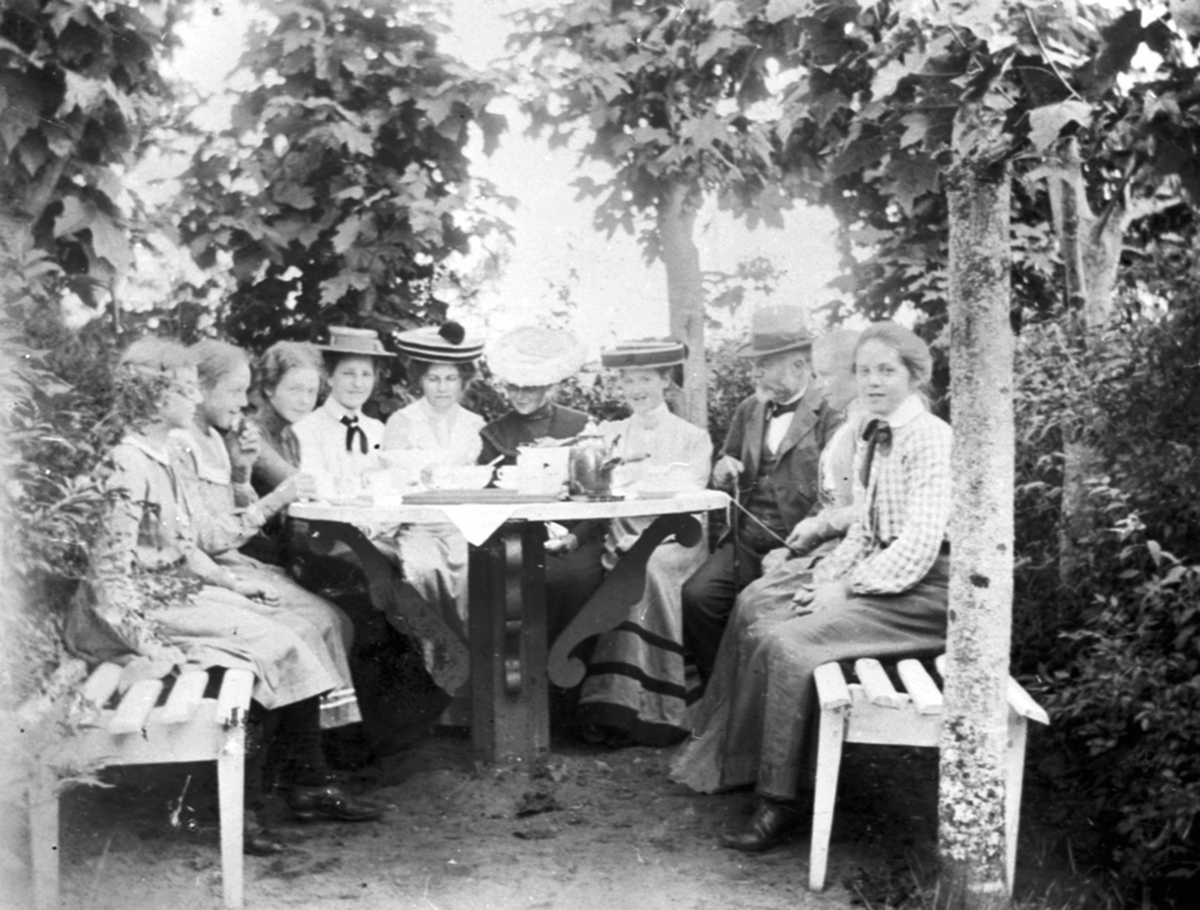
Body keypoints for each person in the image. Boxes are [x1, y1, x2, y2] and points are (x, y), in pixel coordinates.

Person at [66, 338, 379, 860]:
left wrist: (236, 585)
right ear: (154, 397)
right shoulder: (127, 463)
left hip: (175, 591)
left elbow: (185, 545)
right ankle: (238, 809)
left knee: (295, 628)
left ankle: (297, 783)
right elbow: (108, 581)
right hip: (136, 609)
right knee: (273, 643)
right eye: (186, 391)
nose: (194, 402)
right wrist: (148, 647)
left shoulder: (159, 453)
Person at [670, 322, 953, 854]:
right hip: (881, 574)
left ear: (914, 377)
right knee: (767, 619)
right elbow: (866, 531)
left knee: (789, 643)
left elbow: (916, 548)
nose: (872, 382)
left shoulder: (931, 438)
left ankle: (784, 802)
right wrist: (826, 577)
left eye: (886, 371)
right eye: (865, 371)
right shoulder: (877, 433)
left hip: (924, 591)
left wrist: (846, 590)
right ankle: (750, 767)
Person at [681, 305, 842, 686]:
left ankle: (760, 701)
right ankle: (721, 697)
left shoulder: (831, 414)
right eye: (755, 365)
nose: (755, 373)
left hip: (802, 548)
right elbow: (728, 458)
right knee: (698, 598)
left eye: (765, 364)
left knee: (769, 615)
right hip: (745, 544)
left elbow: (836, 495)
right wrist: (723, 468)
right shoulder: (749, 409)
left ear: (800, 366)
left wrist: (794, 548)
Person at [575, 337, 713, 748]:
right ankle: (617, 706)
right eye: (628, 380)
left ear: (665, 381)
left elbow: (690, 497)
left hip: (676, 539)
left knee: (646, 568)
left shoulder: (692, 437)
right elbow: (595, 489)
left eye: (646, 379)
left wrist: (641, 484)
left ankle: (656, 710)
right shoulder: (609, 433)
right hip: (623, 534)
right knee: (632, 566)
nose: (636, 389)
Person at [477, 325, 605, 642]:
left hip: (575, 535)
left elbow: (599, 498)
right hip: (514, 536)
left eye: (529, 387)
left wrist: (575, 538)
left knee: (570, 579)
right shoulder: (495, 433)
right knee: (506, 581)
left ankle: (564, 675)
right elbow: (485, 500)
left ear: (548, 384)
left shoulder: (580, 425)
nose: (519, 395)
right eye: (512, 387)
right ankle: (519, 675)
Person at [381, 320, 486, 643]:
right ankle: (433, 657)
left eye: (451, 378)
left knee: (479, 570)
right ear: (420, 380)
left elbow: (480, 481)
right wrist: (417, 478)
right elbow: (391, 483)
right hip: (419, 525)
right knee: (423, 570)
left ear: (463, 380)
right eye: (434, 378)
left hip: (461, 526)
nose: (442, 388)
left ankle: (472, 657)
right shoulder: (402, 422)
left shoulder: (476, 424)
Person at [292, 326, 394, 497]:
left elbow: (390, 487)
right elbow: (316, 488)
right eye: (348, 373)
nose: (358, 384)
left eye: (366, 375)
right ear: (329, 377)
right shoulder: (308, 429)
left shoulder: (377, 430)